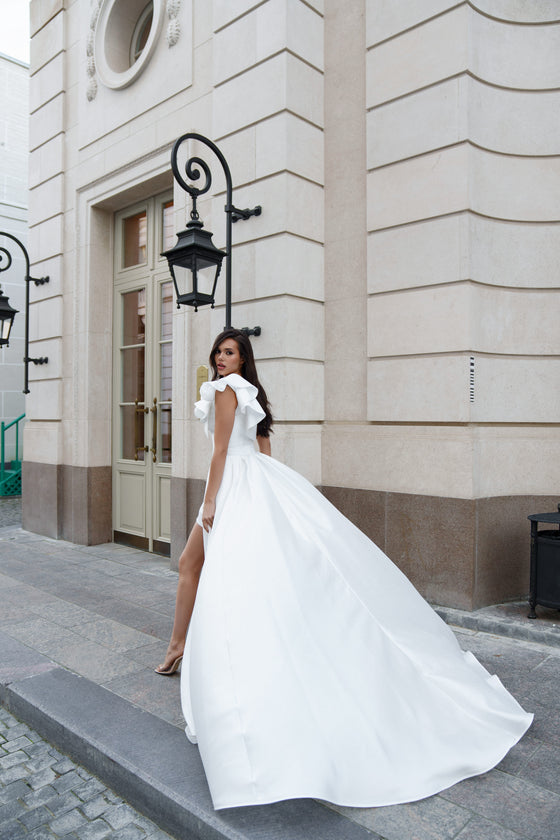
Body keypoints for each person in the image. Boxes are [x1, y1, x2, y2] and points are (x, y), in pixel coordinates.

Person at [157, 327, 533, 811]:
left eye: (230, 352)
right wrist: (265, 496)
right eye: (218, 352)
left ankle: (184, 648)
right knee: (200, 564)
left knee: (215, 572)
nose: (221, 358)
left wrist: (211, 502)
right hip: (255, 485)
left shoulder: (227, 391)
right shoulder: (252, 393)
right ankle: (179, 644)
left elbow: (222, 452)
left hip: (233, 488)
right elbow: (264, 451)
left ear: (243, 359)